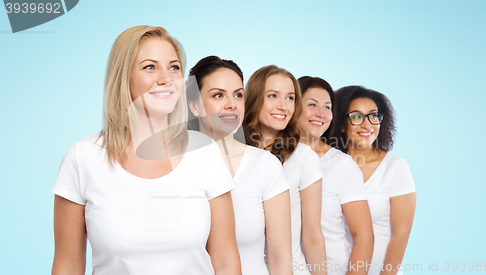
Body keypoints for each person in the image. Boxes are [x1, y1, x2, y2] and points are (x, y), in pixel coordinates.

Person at [51, 25, 241, 275]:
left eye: (174, 67)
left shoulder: (204, 153)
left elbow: (226, 261)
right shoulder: (82, 158)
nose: (166, 78)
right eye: (149, 67)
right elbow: (68, 265)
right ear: (123, 77)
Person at [186, 55, 292, 275]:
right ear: (194, 106)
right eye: (218, 95)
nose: (231, 104)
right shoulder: (175, 166)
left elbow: (281, 260)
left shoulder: (265, 166)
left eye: (238, 95)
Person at [243, 65, 327, 275]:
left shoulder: (304, 157)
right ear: (254, 99)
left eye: (290, 98)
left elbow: (313, 236)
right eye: (273, 96)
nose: (283, 106)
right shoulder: (234, 153)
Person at [330, 86, 416, 275]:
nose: (367, 124)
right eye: (356, 116)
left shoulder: (395, 167)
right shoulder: (329, 166)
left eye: (373, 116)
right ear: (341, 124)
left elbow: (401, 234)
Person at [297, 76, 374, 275]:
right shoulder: (275, 160)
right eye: (312, 104)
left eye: (327, 107)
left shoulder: (341, 165)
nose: (321, 114)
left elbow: (364, 236)